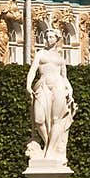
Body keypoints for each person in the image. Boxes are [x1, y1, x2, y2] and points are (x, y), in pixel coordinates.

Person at [26, 28, 77, 164]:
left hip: (59, 86)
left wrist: (70, 90)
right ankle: (49, 144)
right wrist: (28, 85)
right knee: (39, 119)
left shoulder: (60, 58)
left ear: (57, 39)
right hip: (42, 86)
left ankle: (49, 152)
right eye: (46, 37)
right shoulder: (40, 53)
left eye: (51, 37)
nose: (48, 40)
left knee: (56, 119)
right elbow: (33, 70)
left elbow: (64, 77)